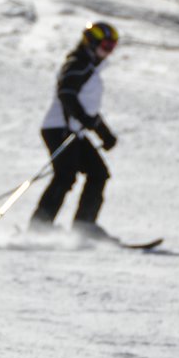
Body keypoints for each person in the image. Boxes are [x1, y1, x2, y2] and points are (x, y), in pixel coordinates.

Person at [30, 21, 120, 237]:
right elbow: (67, 93)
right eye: (106, 46)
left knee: (98, 173)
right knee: (65, 175)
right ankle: (39, 228)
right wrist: (84, 119)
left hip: (72, 131)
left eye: (112, 47)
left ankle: (84, 226)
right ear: (91, 43)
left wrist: (104, 133)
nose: (109, 52)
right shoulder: (77, 64)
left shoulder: (90, 69)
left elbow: (89, 110)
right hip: (58, 128)